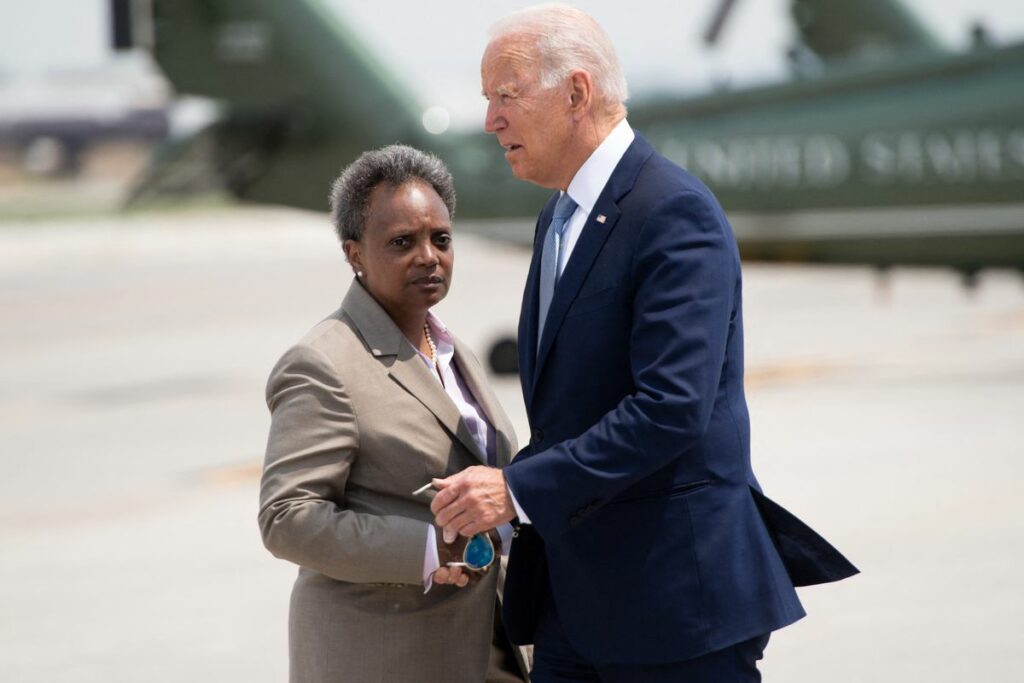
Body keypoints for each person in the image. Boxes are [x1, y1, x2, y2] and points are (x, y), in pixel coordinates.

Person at [430, 6, 858, 682]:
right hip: (578, 605)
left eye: (506, 96)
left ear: (576, 92)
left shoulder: (673, 212)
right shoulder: (558, 217)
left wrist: (517, 489)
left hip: (674, 610)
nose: (491, 121)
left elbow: (670, 406)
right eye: (488, 101)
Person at [258, 145, 526, 683]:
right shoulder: (324, 362)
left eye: (440, 239)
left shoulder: (454, 351)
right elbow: (286, 518)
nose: (428, 256)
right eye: (402, 242)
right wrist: (428, 548)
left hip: (485, 649)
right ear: (355, 254)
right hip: (385, 658)